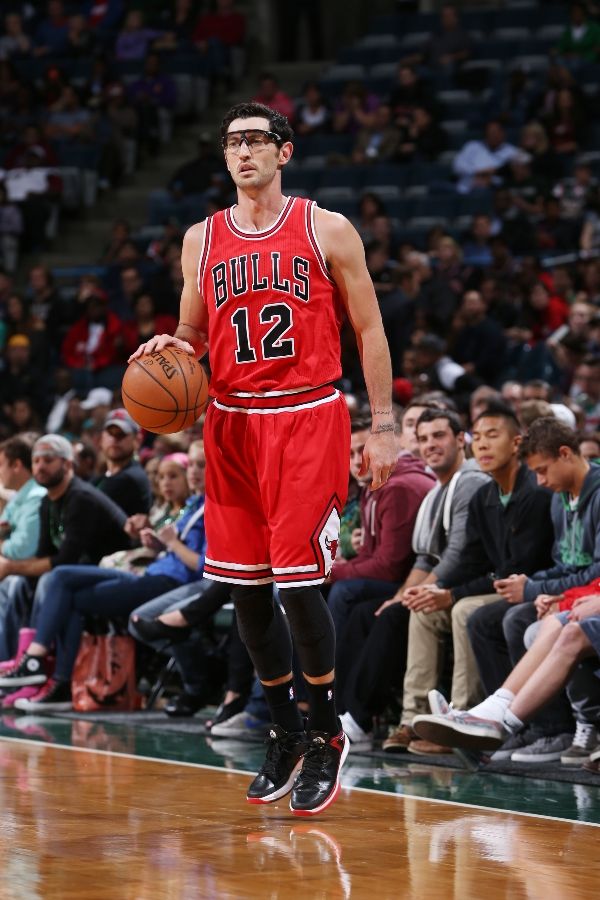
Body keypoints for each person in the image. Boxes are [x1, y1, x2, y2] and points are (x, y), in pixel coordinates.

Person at [129, 101, 397, 816]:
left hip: (307, 415)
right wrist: (173, 347)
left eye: (255, 140)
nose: (243, 152)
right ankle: (282, 730)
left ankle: (326, 730)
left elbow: (370, 329)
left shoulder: (326, 228)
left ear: (284, 151)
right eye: (232, 143)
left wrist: (383, 425)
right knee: (245, 590)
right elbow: (193, 329)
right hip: (231, 422)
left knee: (299, 588)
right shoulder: (201, 238)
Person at [0, 448, 206, 712]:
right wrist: (156, 543)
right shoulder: (192, 506)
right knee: (61, 580)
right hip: (146, 572)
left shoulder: (211, 509)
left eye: (201, 465)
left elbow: (204, 565)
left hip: (169, 582)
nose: (194, 472)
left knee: (64, 585)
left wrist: (173, 544)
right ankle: (49, 673)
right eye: (193, 465)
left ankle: (42, 667)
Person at [337, 408, 488, 752]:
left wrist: (412, 594)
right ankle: (348, 713)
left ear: (460, 439)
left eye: (439, 436)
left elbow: (456, 555)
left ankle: (363, 720)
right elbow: (424, 557)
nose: (430, 444)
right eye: (423, 438)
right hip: (441, 582)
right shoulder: (437, 490)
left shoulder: (471, 481)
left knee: (392, 614)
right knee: (369, 612)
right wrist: (403, 594)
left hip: (468, 584)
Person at [0, 433, 128, 661]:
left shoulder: (81, 498)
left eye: (48, 460)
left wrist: (10, 566)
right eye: (36, 461)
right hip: (78, 570)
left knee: (50, 579)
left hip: (114, 569)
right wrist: (14, 570)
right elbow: (44, 554)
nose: (40, 466)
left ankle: (37, 660)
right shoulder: (47, 501)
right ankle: (14, 658)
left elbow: (64, 559)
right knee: (19, 583)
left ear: (68, 464)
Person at [93, 409, 152, 517]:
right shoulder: (102, 476)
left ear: (137, 440)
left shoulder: (131, 478)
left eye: (121, 434)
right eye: (110, 433)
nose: (114, 439)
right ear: (101, 438)